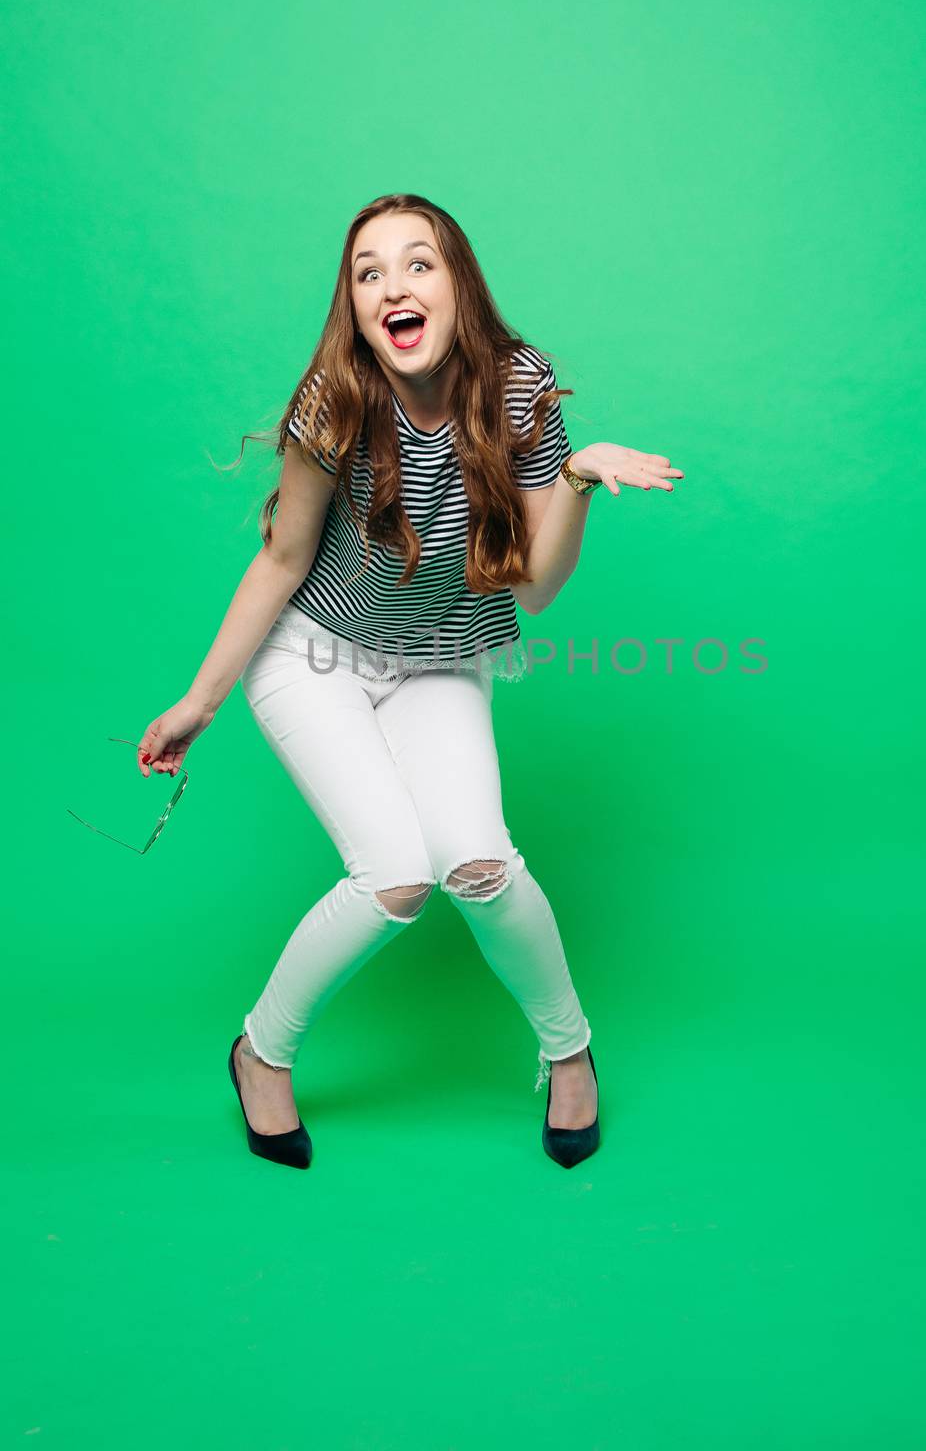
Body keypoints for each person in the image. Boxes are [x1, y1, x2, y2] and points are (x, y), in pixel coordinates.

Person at [136, 193, 683, 1170]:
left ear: (457, 284)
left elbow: (536, 588)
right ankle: (260, 1052)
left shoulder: (519, 387)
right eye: (368, 270)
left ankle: (569, 1052)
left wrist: (579, 480)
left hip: (443, 655)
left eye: (417, 262)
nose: (393, 283)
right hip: (315, 659)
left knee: (477, 865)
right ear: (354, 306)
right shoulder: (333, 398)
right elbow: (279, 559)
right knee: (394, 876)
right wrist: (199, 701)